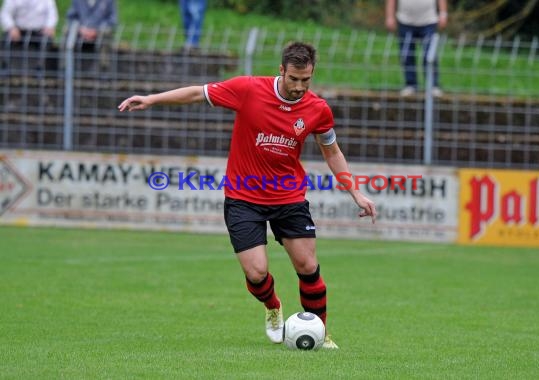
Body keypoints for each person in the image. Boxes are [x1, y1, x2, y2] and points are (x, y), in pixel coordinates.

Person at [118, 41, 377, 349]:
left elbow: (332, 151)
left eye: (305, 80)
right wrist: (151, 99)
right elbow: (196, 93)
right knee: (256, 273)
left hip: (288, 197)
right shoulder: (249, 89)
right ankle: (272, 307)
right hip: (244, 197)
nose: (299, 87)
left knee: (308, 267)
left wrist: (356, 193)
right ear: (281, 70)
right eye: (293, 79)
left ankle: (320, 332)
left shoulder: (318, 109)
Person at [385, 0, 448, 97]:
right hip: (405, 21)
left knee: (429, 56)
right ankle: (411, 85)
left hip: (429, 21)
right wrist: (390, 16)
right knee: (407, 55)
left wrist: (443, 14)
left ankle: (433, 85)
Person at [0, 0, 59, 73]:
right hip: (18, 30)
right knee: (5, 41)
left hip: (39, 30)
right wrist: (11, 27)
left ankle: (41, 68)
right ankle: (5, 68)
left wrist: (49, 26)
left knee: (47, 42)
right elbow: (5, 13)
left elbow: (52, 14)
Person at [66, 0, 117, 69]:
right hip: (80, 32)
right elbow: (71, 17)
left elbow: (112, 20)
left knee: (107, 32)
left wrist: (97, 31)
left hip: (100, 33)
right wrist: (81, 29)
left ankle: (104, 69)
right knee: (67, 31)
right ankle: (66, 67)